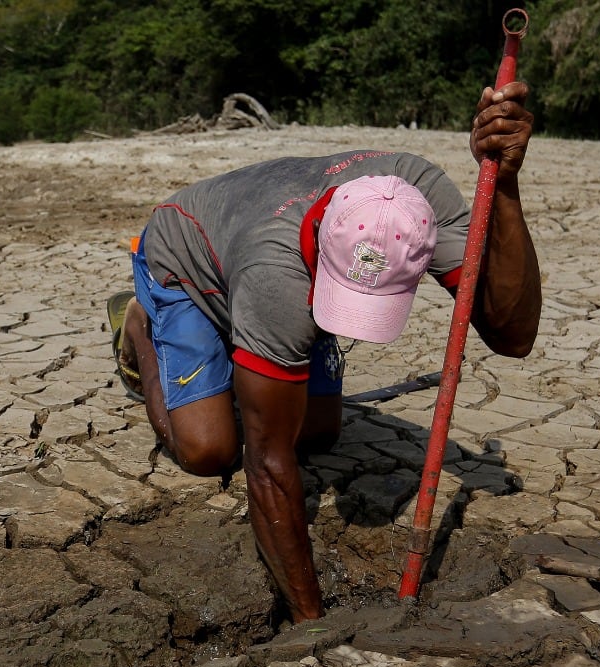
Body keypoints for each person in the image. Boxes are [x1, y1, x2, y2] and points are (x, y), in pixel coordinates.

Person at [109, 82, 541, 622]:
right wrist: (309, 622)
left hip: (258, 262)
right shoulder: (278, 279)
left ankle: (242, 354)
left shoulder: (416, 198)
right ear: (321, 252)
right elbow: (264, 464)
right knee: (208, 450)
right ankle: (139, 326)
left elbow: (512, 334)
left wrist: (505, 185)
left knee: (318, 434)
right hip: (186, 255)